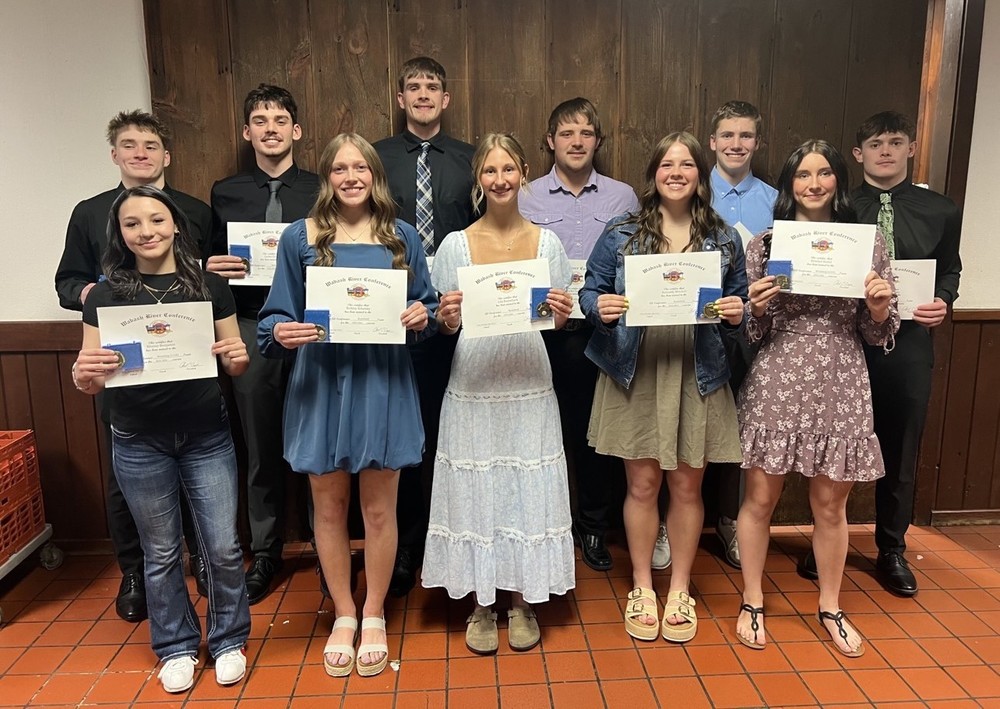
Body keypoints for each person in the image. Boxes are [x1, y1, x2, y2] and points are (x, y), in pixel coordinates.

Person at [257, 133, 436, 677]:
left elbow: (424, 302)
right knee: (328, 508)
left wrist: (420, 316)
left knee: (380, 509)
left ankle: (376, 612)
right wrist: (282, 331)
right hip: (321, 382)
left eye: (361, 167)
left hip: (382, 381)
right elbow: (271, 319)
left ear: (376, 175)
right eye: (340, 168)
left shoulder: (402, 236)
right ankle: (344, 613)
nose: (351, 177)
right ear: (327, 177)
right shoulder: (299, 237)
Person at [72, 185, 251, 693]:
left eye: (155, 220)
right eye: (132, 224)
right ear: (120, 234)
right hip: (137, 439)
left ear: (175, 224)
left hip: (207, 434)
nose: (146, 231)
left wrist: (236, 357)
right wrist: (83, 374)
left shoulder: (210, 286)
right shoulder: (105, 295)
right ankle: (174, 646)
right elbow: (90, 379)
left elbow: (235, 362)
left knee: (221, 546)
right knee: (162, 550)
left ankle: (228, 638)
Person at [579, 132, 747, 644]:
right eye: (666, 164)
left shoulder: (722, 236)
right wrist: (598, 309)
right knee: (642, 486)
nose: (676, 172)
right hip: (639, 368)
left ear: (700, 173)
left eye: (687, 164)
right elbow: (590, 290)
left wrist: (738, 313)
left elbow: (738, 301)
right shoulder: (621, 232)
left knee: (687, 487)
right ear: (653, 172)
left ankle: (678, 588)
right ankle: (641, 588)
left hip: (698, 370)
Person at [735, 140, 899, 658]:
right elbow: (753, 335)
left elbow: (880, 333)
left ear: (837, 181)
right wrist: (756, 310)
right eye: (802, 174)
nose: (813, 183)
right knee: (760, 499)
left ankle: (830, 604)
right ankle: (753, 599)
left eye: (824, 173)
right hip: (779, 377)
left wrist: (876, 308)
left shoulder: (867, 245)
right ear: (788, 185)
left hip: (841, 378)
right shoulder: (764, 243)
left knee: (831, 507)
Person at [54, 110, 213, 622]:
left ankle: (204, 564)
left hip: (190, 369)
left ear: (166, 155)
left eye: (150, 144)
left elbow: (208, 282)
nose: (140, 152)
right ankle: (133, 571)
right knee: (129, 477)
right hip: (127, 373)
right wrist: (104, 301)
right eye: (129, 144)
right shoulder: (90, 213)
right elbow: (66, 283)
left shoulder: (195, 211)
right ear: (115, 154)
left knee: (199, 466)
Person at [422, 133, 576, 655]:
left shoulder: (547, 244)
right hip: (475, 380)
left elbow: (557, 321)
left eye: (508, 168)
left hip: (530, 379)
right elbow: (445, 326)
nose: (500, 179)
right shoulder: (455, 245)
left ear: (524, 172)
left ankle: (522, 599)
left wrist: (560, 314)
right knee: (479, 488)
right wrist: (446, 320)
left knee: (521, 485)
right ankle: (481, 603)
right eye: (490, 171)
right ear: (478, 181)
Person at [799, 112, 961, 598]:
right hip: (846, 343)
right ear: (858, 154)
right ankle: (823, 542)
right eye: (875, 143)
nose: (885, 150)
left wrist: (944, 302)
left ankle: (891, 547)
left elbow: (950, 269)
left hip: (909, 343)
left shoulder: (942, 209)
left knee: (901, 444)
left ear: (911, 148)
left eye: (895, 142)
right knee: (832, 444)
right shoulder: (838, 209)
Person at [209, 84, 320, 604]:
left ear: (296, 131)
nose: (271, 128)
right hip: (251, 328)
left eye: (281, 120)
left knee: (323, 440)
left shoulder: (322, 189)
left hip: (315, 332)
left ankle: (328, 545)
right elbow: (206, 265)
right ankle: (267, 551)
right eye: (261, 120)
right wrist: (213, 267)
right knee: (259, 447)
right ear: (247, 131)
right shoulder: (225, 192)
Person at [519, 97, 638, 572]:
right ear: (550, 141)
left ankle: (592, 526)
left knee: (594, 437)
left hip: (602, 332)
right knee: (545, 433)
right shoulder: (525, 195)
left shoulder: (623, 197)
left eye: (586, 133)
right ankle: (545, 526)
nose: (576, 141)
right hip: (542, 333)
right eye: (566, 133)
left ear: (598, 142)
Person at [374, 56, 476, 596]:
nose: (422, 94)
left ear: (446, 98)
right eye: (412, 86)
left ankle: (450, 532)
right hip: (394, 316)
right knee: (403, 436)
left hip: (457, 318)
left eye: (432, 86)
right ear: (400, 98)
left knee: (446, 432)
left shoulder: (469, 159)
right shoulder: (376, 158)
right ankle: (407, 541)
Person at [702, 100, 779, 570]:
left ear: (757, 143)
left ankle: (729, 519)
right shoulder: (688, 188)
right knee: (688, 422)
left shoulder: (776, 200)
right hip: (692, 329)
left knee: (739, 429)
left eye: (745, 136)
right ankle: (673, 520)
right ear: (712, 141)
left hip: (754, 330)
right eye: (727, 135)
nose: (736, 144)